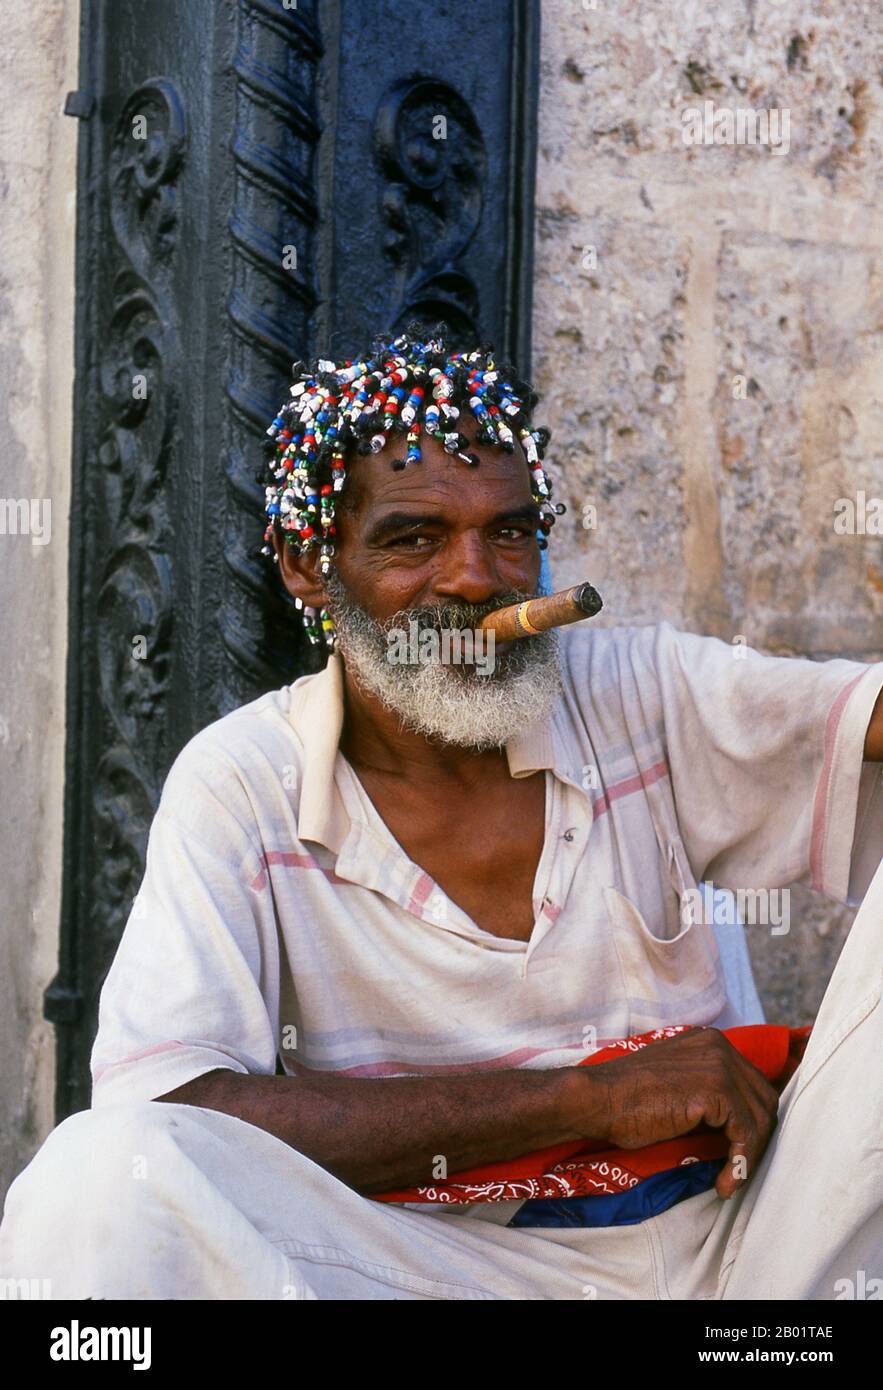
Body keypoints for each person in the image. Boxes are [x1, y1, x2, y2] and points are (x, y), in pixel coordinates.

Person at [1, 326, 881, 1300]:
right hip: (445, 1274)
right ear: (309, 567)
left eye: (508, 532)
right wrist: (586, 1097)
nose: (474, 578)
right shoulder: (243, 784)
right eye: (414, 537)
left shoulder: (637, 692)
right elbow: (177, 1116)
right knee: (95, 1181)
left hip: (748, 1251)